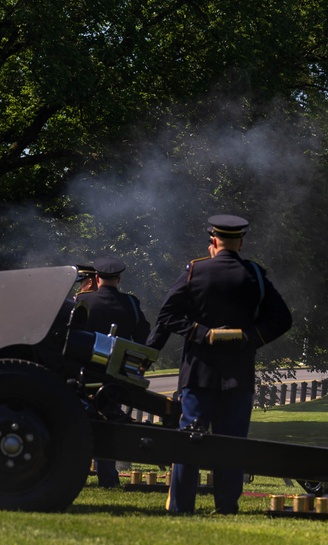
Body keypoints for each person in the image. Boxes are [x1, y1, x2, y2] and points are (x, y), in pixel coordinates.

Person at [147, 215, 292, 514]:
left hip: (198, 373)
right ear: (240, 242)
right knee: (232, 442)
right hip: (238, 375)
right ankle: (226, 505)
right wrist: (249, 336)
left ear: (213, 241)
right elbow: (282, 319)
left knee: (190, 440)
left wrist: (203, 334)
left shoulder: (194, 271)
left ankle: (181, 506)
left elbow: (167, 316)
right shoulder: (254, 274)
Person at [77, 256, 151, 487]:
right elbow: (142, 337)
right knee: (109, 420)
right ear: (118, 279)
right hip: (115, 372)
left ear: (96, 278)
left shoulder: (82, 300)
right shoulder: (131, 303)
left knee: (80, 420)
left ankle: (77, 472)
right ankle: (108, 477)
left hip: (84, 369)